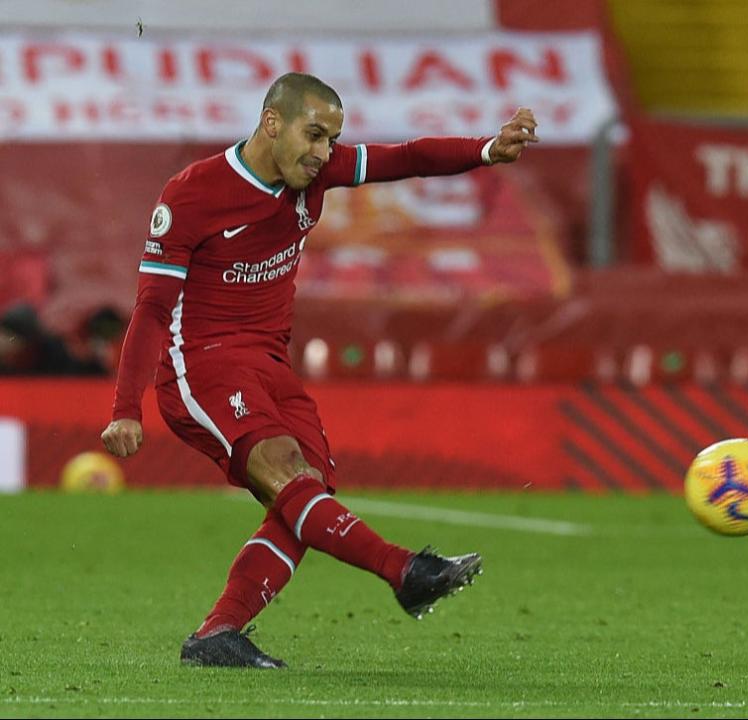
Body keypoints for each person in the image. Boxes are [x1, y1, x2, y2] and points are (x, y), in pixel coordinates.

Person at [100, 72, 538, 669]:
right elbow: (151, 308)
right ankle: (404, 569)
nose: (323, 152)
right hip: (201, 367)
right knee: (288, 474)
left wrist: (487, 149)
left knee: (307, 490)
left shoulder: (318, 172)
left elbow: (406, 158)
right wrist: (127, 408)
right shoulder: (193, 194)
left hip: (271, 362)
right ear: (271, 123)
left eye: (332, 139)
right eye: (313, 135)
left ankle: (217, 634)